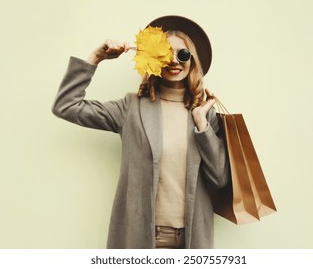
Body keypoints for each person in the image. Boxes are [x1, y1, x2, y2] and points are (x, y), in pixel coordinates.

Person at [52, 15, 229, 249]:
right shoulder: (130, 109)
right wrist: (96, 58)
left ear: (193, 59)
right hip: (141, 236)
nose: (174, 61)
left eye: (183, 54)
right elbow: (66, 106)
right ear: (153, 59)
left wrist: (202, 125)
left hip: (192, 238)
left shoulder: (205, 114)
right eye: (165, 53)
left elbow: (220, 178)